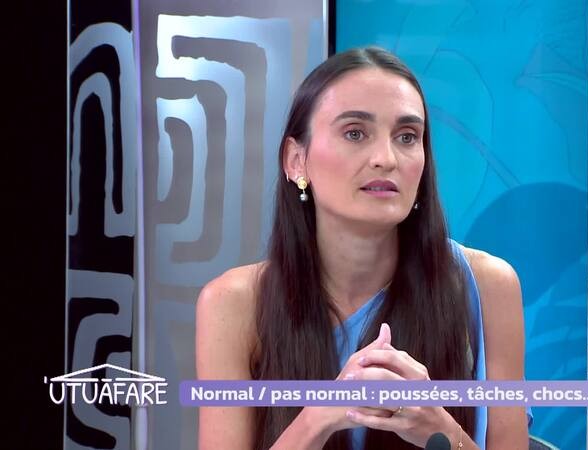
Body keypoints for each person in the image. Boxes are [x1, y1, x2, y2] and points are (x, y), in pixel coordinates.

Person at [196, 46, 528, 450]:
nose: (386, 159)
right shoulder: (233, 303)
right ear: (296, 160)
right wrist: (320, 416)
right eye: (355, 133)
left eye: (407, 137)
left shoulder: (487, 286)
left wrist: (439, 431)